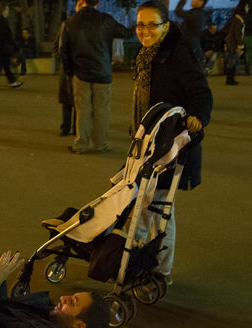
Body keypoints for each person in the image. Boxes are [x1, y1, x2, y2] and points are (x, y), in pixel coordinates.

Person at [131, 0, 213, 285]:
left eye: (152, 24)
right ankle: (136, 262)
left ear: (165, 26)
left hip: (170, 146)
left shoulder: (177, 54)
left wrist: (197, 118)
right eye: (140, 24)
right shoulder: (147, 56)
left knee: (161, 211)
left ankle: (160, 272)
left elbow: (201, 93)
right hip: (148, 144)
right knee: (142, 206)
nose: (145, 30)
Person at [59, 0, 132, 154]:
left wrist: (69, 70)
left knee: (83, 111)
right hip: (103, 72)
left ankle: (80, 145)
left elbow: (62, 49)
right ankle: (100, 144)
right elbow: (126, 33)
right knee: (102, 110)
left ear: (82, 2)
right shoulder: (105, 20)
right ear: (97, 3)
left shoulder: (70, 22)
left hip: (80, 73)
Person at [0, 3, 23, 90]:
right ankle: (13, 82)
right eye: (7, 10)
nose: (8, 12)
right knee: (5, 65)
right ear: (3, 11)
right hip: (0, 47)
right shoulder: (0, 21)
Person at [54, 20, 76, 136]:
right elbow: (57, 47)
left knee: (71, 100)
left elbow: (57, 47)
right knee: (70, 100)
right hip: (72, 67)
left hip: (69, 67)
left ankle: (69, 128)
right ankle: (68, 127)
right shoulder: (67, 26)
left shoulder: (65, 26)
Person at [174, 0, 208, 69]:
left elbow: (178, 12)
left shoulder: (197, 14)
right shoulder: (196, 13)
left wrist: (182, 1)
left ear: (201, 2)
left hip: (191, 47)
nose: (192, 1)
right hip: (191, 47)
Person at [223, 0, 248, 85]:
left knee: (232, 60)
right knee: (232, 61)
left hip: (231, 42)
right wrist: (240, 45)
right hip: (233, 43)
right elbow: (237, 33)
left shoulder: (236, 18)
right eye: (246, 7)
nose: (247, 8)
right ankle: (229, 80)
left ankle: (230, 79)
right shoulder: (239, 19)